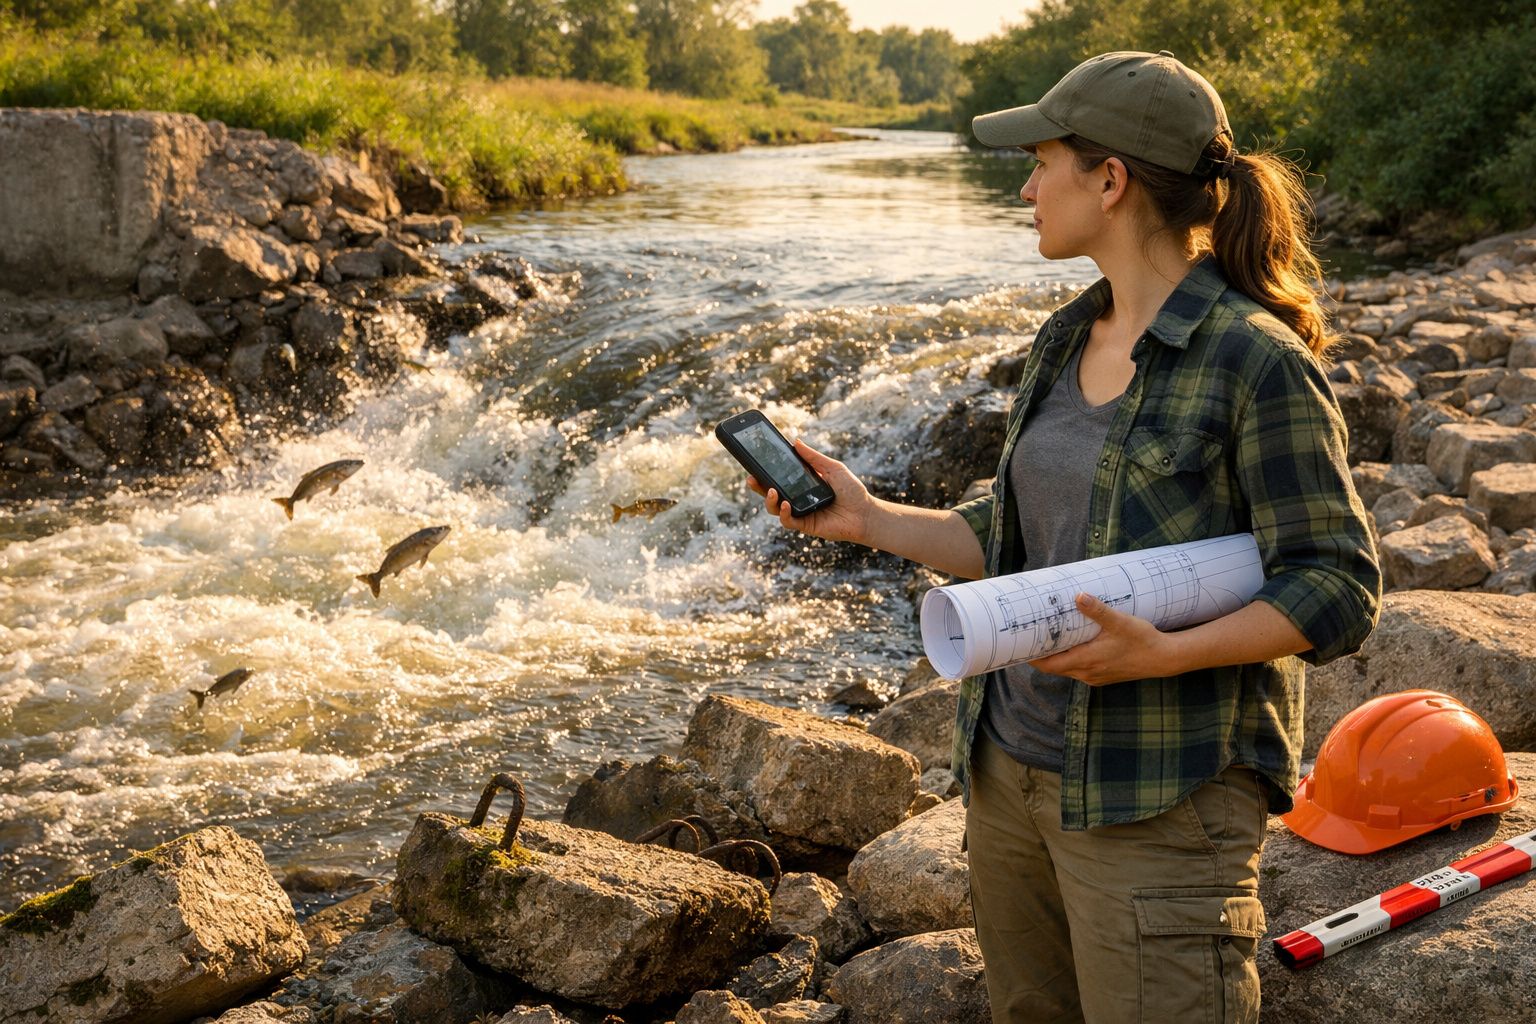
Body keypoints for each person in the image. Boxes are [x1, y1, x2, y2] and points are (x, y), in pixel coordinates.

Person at [744, 50, 1381, 1024]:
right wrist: (868, 518)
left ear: (1111, 180)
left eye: (1043, 163)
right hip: (1007, 781)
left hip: (1156, 803)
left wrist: (1164, 652)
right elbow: (1020, 536)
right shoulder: (1065, 338)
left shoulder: (1256, 361)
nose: (1029, 188)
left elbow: (1337, 582)